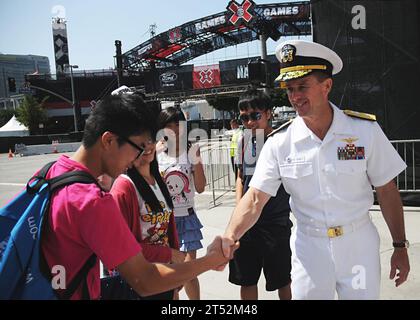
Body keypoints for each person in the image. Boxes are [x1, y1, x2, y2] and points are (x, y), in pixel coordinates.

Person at [222, 40, 410, 300]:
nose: (295, 96)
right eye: (290, 89)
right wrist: (229, 236)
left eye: (302, 87)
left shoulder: (363, 131)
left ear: (327, 86)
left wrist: (400, 246)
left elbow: (387, 190)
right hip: (309, 248)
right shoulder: (280, 142)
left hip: (358, 246)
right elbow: (254, 198)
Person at [37, 94, 235, 299]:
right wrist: (210, 260)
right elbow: (145, 281)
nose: (137, 158)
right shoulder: (93, 202)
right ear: (109, 140)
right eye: (138, 147)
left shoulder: (53, 172)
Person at [229, 88, 292, 300]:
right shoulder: (243, 141)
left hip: (275, 222)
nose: (249, 122)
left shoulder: (282, 141)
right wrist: (239, 210)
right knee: (246, 279)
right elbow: (240, 177)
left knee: (282, 279)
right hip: (247, 224)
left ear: (269, 113)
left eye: (255, 116)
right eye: (244, 117)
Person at [110, 135, 186, 300]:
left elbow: (168, 230)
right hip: (139, 282)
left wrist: (175, 276)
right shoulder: (123, 187)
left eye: (149, 139)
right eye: (138, 143)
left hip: (164, 275)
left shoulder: (159, 180)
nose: (147, 146)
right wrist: (169, 254)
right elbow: (122, 247)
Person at [156, 107, 206, 300]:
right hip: (164, 220)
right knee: (170, 276)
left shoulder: (191, 151)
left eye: (177, 125)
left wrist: (197, 160)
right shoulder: (156, 153)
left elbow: (201, 187)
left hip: (187, 217)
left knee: (188, 272)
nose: (174, 130)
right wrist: (152, 154)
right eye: (168, 126)